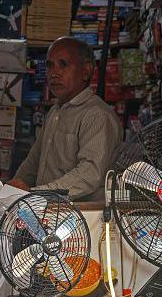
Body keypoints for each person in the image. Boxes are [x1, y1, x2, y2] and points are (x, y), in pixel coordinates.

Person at [7, 36, 123, 200]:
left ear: (86, 71)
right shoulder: (55, 111)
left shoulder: (97, 115)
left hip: (81, 217)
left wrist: (37, 194)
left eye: (63, 64)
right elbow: (33, 162)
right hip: (45, 209)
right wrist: (11, 190)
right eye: (50, 65)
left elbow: (89, 174)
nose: (54, 73)